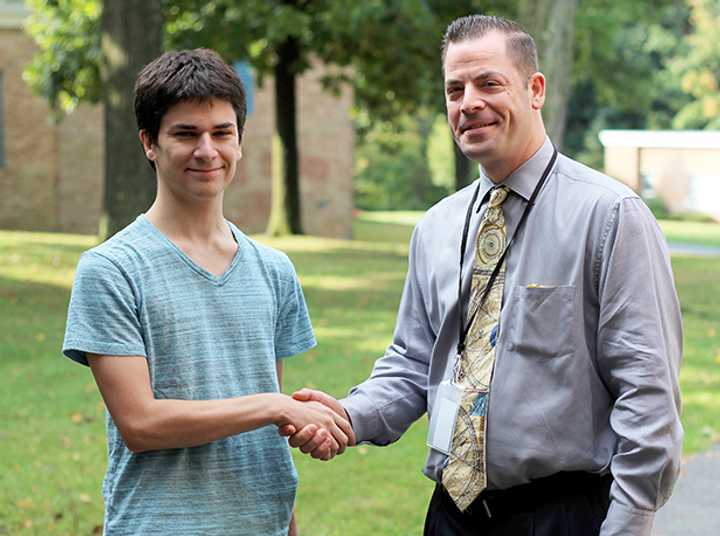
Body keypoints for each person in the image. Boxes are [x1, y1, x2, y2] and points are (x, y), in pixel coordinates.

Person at [285, 14, 682, 536]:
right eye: (455, 89)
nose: (468, 102)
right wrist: (348, 416)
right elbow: (413, 362)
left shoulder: (610, 218)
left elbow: (648, 400)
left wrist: (628, 526)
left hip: (562, 516)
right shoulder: (437, 227)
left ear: (534, 89)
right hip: (452, 514)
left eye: (489, 83)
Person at [62, 48, 353, 536]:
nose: (207, 150)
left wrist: (289, 521)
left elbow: (264, 428)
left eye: (222, 133)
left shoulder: (274, 269)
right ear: (149, 143)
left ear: (240, 142)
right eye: (185, 133)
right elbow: (141, 425)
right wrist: (276, 404)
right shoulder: (110, 269)